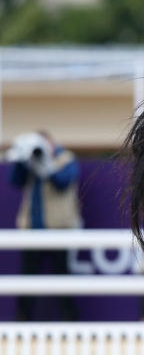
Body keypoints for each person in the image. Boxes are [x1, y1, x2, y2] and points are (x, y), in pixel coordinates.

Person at [6, 131, 81, 320]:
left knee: (62, 275)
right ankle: (22, 319)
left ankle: (69, 320)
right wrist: (24, 160)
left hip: (59, 228)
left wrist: (46, 167)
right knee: (28, 277)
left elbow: (63, 182)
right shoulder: (30, 159)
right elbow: (15, 181)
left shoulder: (66, 158)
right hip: (32, 228)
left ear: (52, 143)